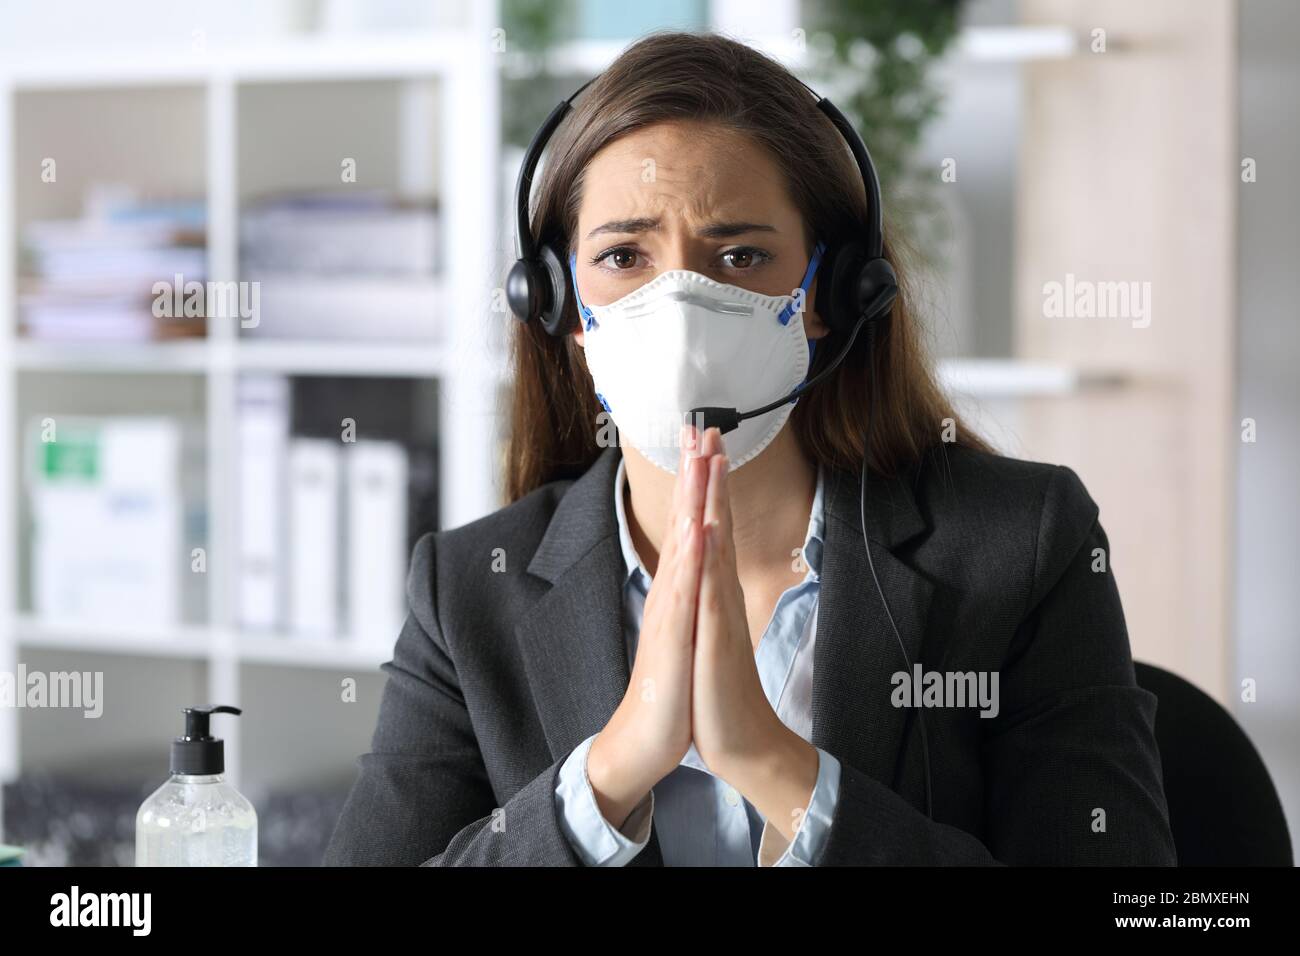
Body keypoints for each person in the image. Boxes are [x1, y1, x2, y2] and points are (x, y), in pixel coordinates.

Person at [324, 31, 1176, 866]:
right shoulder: (468, 591)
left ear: (832, 294)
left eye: (740, 254)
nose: (682, 306)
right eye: (624, 255)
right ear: (559, 309)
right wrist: (608, 774)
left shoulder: (1022, 543)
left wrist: (780, 769)